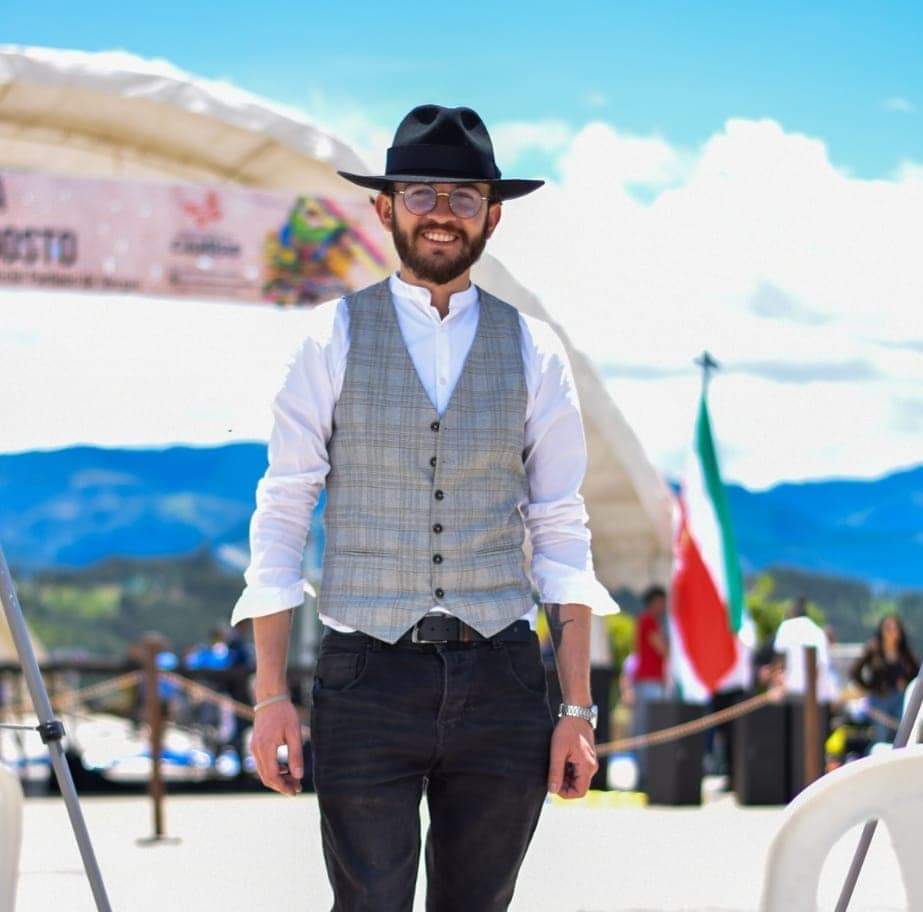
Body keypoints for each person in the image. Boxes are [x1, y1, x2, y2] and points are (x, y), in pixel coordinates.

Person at [229, 104, 619, 910]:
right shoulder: (327, 337)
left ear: (493, 214)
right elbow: (282, 516)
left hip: (503, 675)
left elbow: (559, 528)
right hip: (364, 675)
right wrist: (269, 697)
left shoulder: (534, 347)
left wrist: (576, 706)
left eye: (464, 196)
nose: (442, 211)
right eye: (421, 193)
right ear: (384, 206)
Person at [850, 613, 919, 746]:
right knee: (880, 737)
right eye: (888, 628)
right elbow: (855, 672)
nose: (891, 633)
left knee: (904, 734)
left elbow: (916, 674)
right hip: (878, 701)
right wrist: (869, 688)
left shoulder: (904, 651)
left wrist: (906, 683)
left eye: (894, 628)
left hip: (898, 699)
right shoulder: (873, 649)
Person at [630, 585, 668, 788]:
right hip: (648, 682)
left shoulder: (649, 621)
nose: (664, 606)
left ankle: (646, 775)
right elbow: (661, 648)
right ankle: (644, 776)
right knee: (646, 729)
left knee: (646, 729)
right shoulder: (648, 620)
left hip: (650, 682)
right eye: (662, 601)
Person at [772, 596, 838, 702]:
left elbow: (779, 659)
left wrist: (777, 685)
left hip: (790, 691)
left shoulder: (787, 626)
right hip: (814, 694)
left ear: (792, 613)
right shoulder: (818, 631)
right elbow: (821, 664)